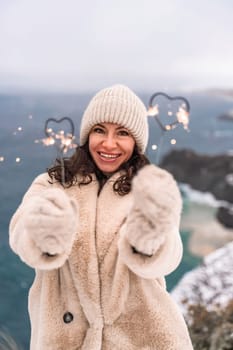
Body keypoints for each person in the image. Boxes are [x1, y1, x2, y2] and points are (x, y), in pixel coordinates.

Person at [9, 84, 193, 350]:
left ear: (136, 142)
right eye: (99, 130)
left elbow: (168, 258)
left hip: (144, 339)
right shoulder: (51, 184)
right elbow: (20, 236)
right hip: (65, 341)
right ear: (86, 135)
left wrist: (150, 238)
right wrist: (44, 231)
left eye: (122, 133)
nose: (108, 143)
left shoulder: (149, 190)